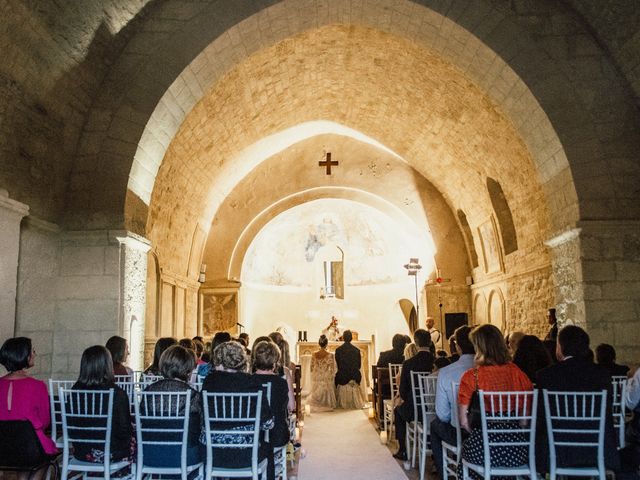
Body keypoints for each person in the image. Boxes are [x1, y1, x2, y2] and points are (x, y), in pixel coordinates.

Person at [536, 325, 620, 474]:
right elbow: (608, 414)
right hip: (597, 451)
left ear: (560, 348)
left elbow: (540, 417)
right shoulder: (602, 374)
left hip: (557, 452)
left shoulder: (546, 375)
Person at [456, 324, 533, 477]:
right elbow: (525, 421)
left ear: (479, 348)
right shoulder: (518, 374)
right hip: (516, 451)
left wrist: (482, 432)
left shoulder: (472, 377)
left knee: (463, 460)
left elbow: (464, 422)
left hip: (482, 450)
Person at [201, 341, 274, 474]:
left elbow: (202, 417)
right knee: (267, 446)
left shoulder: (209, 382)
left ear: (218, 359)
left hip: (213, 454)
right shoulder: (252, 382)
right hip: (245, 455)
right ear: (241, 359)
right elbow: (268, 423)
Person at [141, 345, 204, 467]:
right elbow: (199, 428)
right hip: (183, 456)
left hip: (150, 454)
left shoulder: (148, 392)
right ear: (188, 369)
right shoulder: (193, 395)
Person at [70, 345, 133, 463]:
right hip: (111, 452)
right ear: (107, 366)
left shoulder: (74, 391)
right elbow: (125, 431)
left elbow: (71, 424)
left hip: (82, 451)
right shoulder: (117, 393)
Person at [0, 337, 58, 461]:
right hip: (30, 445)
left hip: (2, 445)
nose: (35, 354)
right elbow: (44, 422)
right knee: (43, 457)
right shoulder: (38, 386)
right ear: (24, 356)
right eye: (32, 351)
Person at [430, 326, 475, 476]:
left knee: (435, 424)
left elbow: (442, 415)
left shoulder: (446, 372)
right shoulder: (489, 369)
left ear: (457, 347)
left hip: (461, 435)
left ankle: (443, 473)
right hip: (492, 434)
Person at [251, 340, 291, 480]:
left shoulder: (248, 381)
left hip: (253, 436)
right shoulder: (280, 382)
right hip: (276, 434)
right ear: (276, 360)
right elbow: (289, 407)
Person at [393, 329, 435, 460]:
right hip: (437, 409)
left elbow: (403, 392)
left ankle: (403, 450)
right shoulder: (438, 362)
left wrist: (405, 399)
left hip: (415, 409)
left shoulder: (409, 363)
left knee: (398, 412)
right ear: (430, 342)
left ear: (416, 342)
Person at [334, 330, 364, 409]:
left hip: (342, 376)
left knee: (337, 375)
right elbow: (359, 366)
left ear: (343, 338)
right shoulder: (356, 350)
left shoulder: (338, 350)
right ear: (351, 338)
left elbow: (338, 365)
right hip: (354, 375)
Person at [307, 335, 337, 412]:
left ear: (319, 344)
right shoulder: (331, 355)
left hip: (316, 377)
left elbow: (311, 368)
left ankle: (316, 401)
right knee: (328, 382)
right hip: (325, 377)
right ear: (327, 344)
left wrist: (317, 373)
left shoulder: (314, 354)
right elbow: (333, 370)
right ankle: (326, 402)